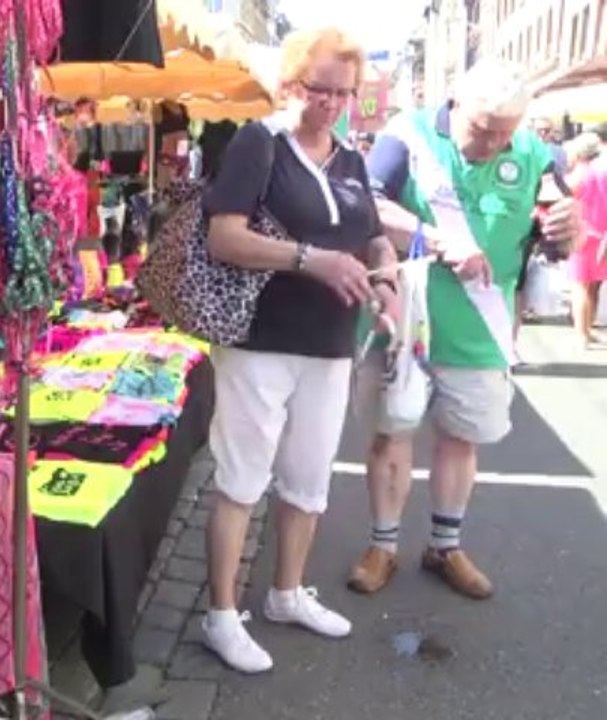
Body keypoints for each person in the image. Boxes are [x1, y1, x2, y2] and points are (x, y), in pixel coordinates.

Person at [199, 27, 398, 674]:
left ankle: (286, 592)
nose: (331, 103)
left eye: (343, 93)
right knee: (241, 479)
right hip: (260, 337)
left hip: (330, 342)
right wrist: (307, 258)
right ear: (290, 84)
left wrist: (386, 270)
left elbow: (370, 236)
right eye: (319, 89)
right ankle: (221, 615)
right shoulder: (260, 142)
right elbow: (224, 237)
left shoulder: (348, 157)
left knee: (308, 481)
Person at [349, 59, 584, 599]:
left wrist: (571, 232)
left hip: (484, 325)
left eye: (506, 133)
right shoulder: (406, 135)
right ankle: (382, 546)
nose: (495, 144)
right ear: (455, 105)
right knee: (393, 433)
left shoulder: (538, 156)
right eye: (482, 130)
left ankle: (444, 546)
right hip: (405, 320)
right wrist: (435, 237)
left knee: (461, 439)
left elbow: (558, 238)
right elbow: (367, 203)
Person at [564, 131, 606, 347]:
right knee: (593, 286)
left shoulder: (577, 175)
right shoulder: (603, 172)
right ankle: (588, 328)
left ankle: (581, 333)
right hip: (602, 234)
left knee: (579, 285)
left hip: (581, 233)